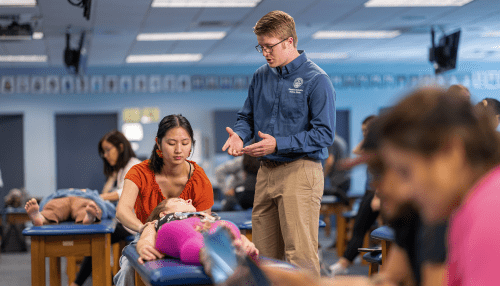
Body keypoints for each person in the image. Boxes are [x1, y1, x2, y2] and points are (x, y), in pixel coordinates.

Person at [222, 10, 336, 276]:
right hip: (266, 172)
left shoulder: (317, 80)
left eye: (269, 46)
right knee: (264, 257)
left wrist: (278, 144)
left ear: (289, 42)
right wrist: (239, 134)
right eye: (260, 47)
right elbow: (246, 117)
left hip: (301, 171)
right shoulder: (261, 75)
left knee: (300, 256)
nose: (264, 53)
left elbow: (323, 134)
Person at [376, 87, 500, 285]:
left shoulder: (489, 212)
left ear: (452, 152)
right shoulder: (465, 211)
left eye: (406, 172)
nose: (404, 192)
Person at [113, 114, 214, 286]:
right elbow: (122, 211)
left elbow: (204, 221)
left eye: (185, 143)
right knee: (129, 269)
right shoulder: (139, 172)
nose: (178, 150)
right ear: (158, 143)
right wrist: (143, 228)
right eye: (171, 143)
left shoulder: (199, 178)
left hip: (186, 237)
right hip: (148, 235)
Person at [71, 130, 142, 286]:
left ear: (121, 148)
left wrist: (98, 197)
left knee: (97, 238)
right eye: (103, 152)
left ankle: (78, 283)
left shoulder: (135, 165)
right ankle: (103, 280)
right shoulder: (122, 170)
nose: (105, 155)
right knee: (97, 238)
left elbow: (124, 192)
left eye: (108, 150)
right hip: (125, 221)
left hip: (133, 225)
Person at [136, 197, 258, 266]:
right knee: (186, 233)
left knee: (227, 225)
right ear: (164, 213)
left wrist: (245, 242)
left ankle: (234, 250)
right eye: (178, 201)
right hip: (176, 232)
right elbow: (147, 236)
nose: (188, 200)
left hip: (206, 229)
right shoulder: (162, 221)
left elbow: (232, 231)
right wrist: (144, 246)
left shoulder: (204, 216)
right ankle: (211, 257)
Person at [329, 116, 380, 276]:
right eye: (362, 131)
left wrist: (378, 196)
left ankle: (344, 262)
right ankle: (344, 262)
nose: (364, 134)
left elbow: (383, 175)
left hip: (376, 194)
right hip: (370, 192)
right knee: (360, 228)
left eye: (366, 131)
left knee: (359, 228)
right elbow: (356, 151)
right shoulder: (373, 147)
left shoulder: (382, 148)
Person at [24, 188, 115, 226]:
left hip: (60, 198)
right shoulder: (90, 193)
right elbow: (109, 208)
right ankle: (89, 217)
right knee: (86, 207)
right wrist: (105, 209)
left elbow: (46, 201)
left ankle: (41, 217)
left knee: (53, 210)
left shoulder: (59, 192)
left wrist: (42, 207)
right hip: (84, 197)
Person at [323, 133, 351, 203]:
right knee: (341, 206)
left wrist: (322, 177)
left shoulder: (332, 142)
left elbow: (329, 162)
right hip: (346, 179)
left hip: (338, 180)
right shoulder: (341, 140)